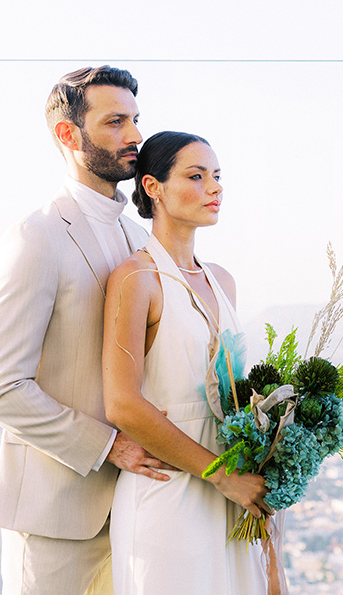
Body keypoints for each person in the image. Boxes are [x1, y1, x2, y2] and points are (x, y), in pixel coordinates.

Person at [0, 66, 174, 595]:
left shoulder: (140, 240)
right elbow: (1, 389)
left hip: (140, 511)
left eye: (135, 120)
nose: (134, 136)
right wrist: (110, 447)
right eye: (114, 122)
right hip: (53, 520)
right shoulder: (35, 237)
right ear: (69, 135)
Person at [103, 131, 281, 594]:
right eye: (196, 176)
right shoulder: (134, 278)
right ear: (153, 187)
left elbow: (237, 397)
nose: (215, 187)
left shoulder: (223, 280)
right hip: (168, 492)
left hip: (233, 491)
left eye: (217, 176)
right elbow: (122, 404)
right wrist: (223, 477)